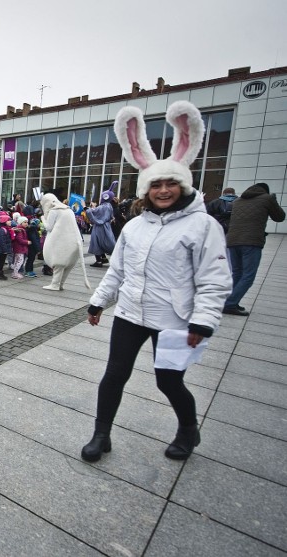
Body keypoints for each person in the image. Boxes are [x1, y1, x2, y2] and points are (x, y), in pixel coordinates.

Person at [82, 101, 232, 463]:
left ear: (183, 186)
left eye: (171, 184)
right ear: (146, 189)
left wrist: (203, 321)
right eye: (156, 185)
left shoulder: (202, 226)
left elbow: (215, 279)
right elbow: (118, 270)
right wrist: (98, 301)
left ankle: (188, 429)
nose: (163, 190)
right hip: (131, 313)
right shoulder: (134, 226)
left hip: (176, 319)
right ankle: (102, 435)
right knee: (114, 375)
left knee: (168, 380)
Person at [222, 183, 284, 315]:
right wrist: (274, 201)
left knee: (237, 273)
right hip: (251, 242)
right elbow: (279, 217)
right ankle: (230, 303)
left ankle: (230, 301)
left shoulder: (238, 200)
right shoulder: (267, 199)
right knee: (248, 275)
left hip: (232, 240)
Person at [86, 190, 117, 267]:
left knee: (96, 242)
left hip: (100, 226)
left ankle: (99, 261)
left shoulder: (103, 206)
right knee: (103, 241)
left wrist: (85, 207)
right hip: (106, 226)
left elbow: (92, 212)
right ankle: (103, 258)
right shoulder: (109, 206)